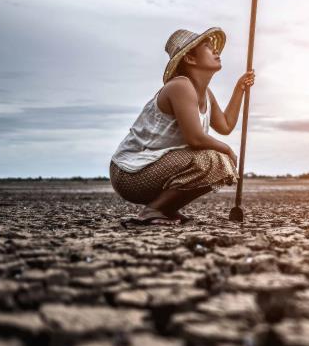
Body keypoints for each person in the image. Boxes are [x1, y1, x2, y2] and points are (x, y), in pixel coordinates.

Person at [109, 27, 255, 225]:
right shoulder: (181, 86)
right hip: (130, 174)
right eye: (207, 47)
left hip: (154, 167)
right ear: (190, 59)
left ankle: (166, 209)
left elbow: (225, 126)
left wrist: (240, 88)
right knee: (215, 160)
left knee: (219, 161)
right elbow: (195, 139)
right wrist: (228, 150)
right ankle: (153, 210)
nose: (216, 51)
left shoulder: (205, 93)